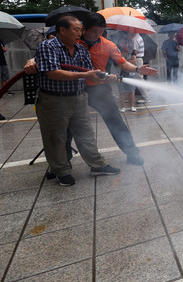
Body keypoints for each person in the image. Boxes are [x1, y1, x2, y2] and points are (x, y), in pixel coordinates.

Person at [26, 13, 158, 165]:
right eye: (95, 31)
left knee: (115, 121)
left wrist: (137, 69)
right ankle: (62, 164)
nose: (98, 35)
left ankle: (132, 153)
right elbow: (48, 54)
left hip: (98, 89)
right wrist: (32, 60)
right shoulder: (72, 41)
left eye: (101, 32)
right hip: (74, 89)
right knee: (66, 127)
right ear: (84, 29)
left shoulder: (108, 45)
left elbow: (122, 63)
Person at [34, 15, 120, 186]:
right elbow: (53, 73)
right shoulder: (48, 47)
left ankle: (97, 165)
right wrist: (85, 75)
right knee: (56, 137)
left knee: (86, 133)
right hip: (53, 100)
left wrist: (105, 78)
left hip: (79, 97)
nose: (80, 33)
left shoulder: (81, 50)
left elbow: (90, 73)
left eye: (80, 30)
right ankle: (62, 171)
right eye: (76, 30)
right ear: (62, 30)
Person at [116, 32, 137, 112]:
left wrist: (125, 61)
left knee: (131, 90)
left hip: (130, 73)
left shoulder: (131, 50)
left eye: (125, 42)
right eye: (121, 42)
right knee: (122, 91)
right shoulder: (117, 52)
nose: (123, 44)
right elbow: (116, 62)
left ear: (127, 43)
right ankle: (123, 107)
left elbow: (134, 60)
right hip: (120, 73)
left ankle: (132, 106)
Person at [130, 32, 150, 104]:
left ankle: (146, 98)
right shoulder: (138, 37)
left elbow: (134, 52)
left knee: (139, 79)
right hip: (138, 59)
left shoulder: (135, 39)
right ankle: (130, 96)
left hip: (136, 60)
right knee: (134, 78)